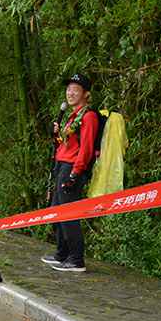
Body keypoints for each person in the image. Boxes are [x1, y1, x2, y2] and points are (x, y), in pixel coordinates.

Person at [41, 74, 99, 272]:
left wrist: (75, 173)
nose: (70, 93)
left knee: (68, 214)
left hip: (72, 168)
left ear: (86, 94)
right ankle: (62, 254)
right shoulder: (73, 116)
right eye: (68, 89)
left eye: (75, 89)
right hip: (62, 165)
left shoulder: (88, 116)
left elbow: (87, 149)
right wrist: (57, 135)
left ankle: (76, 259)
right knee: (57, 211)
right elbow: (67, 145)